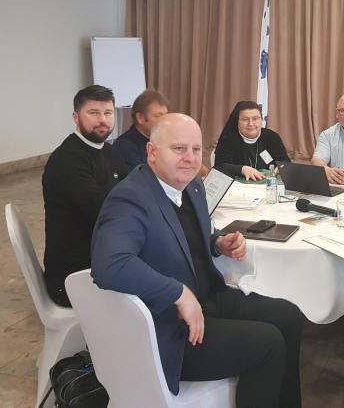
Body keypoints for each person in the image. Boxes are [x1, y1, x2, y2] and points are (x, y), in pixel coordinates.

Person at [90, 114, 302, 407]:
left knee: (289, 317)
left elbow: (186, 233)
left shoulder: (192, 186)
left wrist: (218, 243)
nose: (190, 158)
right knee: (268, 344)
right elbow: (109, 265)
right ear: (152, 152)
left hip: (209, 298)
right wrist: (177, 293)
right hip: (171, 327)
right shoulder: (130, 198)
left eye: (196, 149)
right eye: (178, 149)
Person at [42, 84, 128, 307]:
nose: (103, 120)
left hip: (102, 257)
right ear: (76, 117)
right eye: (93, 113)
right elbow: (105, 211)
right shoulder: (68, 161)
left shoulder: (108, 151)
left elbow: (133, 189)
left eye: (108, 113)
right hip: (74, 277)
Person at [213, 101, 290, 181]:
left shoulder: (272, 137)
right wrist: (242, 169)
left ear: (261, 120)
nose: (251, 123)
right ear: (237, 121)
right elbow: (219, 167)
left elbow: (285, 162)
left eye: (255, 118)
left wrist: (281, 167)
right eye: (245, 119)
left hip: (267, 184)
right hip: (238, 185)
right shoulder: (228, 139)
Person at [114, 88, 169, 169]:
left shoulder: (165, 139)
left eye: (166, 115)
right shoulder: (124, 146)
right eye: (158, 116)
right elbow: (143, 176)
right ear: (140, 118)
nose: (166, 121)